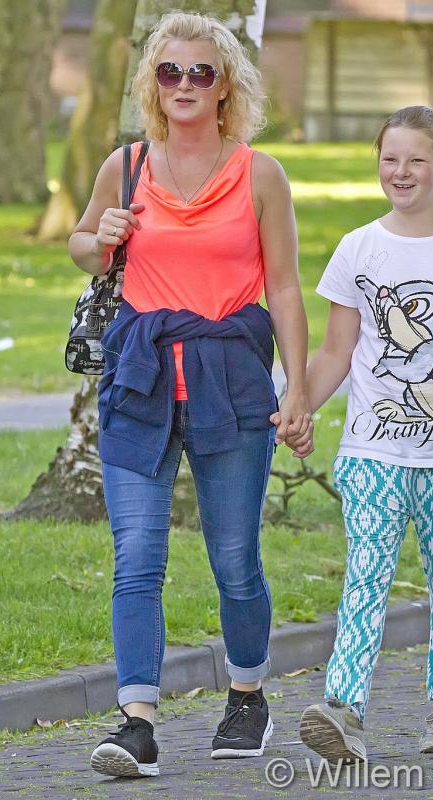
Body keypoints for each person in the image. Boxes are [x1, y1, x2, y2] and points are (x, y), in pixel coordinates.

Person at [68, 11, 313, 778]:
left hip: (230, 381)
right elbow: (83, 247)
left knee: (234, 558)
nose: (183, 84)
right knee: (136, 558)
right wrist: (100, 235)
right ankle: (137, 723)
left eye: (200, 72)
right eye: (169, 71)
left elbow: (284, 287)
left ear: (225, 87)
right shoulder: (126, 165)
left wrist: (298, 389)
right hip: (140, 378)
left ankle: (247, 695)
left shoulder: (260, 174)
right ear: (153, 82)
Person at [275, 105, 433, 761]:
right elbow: (336, 351)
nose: (401, 171)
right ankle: (344, 709)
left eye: (416, 160)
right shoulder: (358, 247)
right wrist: (298, 405)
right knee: (366, 576)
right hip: (371, 449)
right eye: (390, 159)